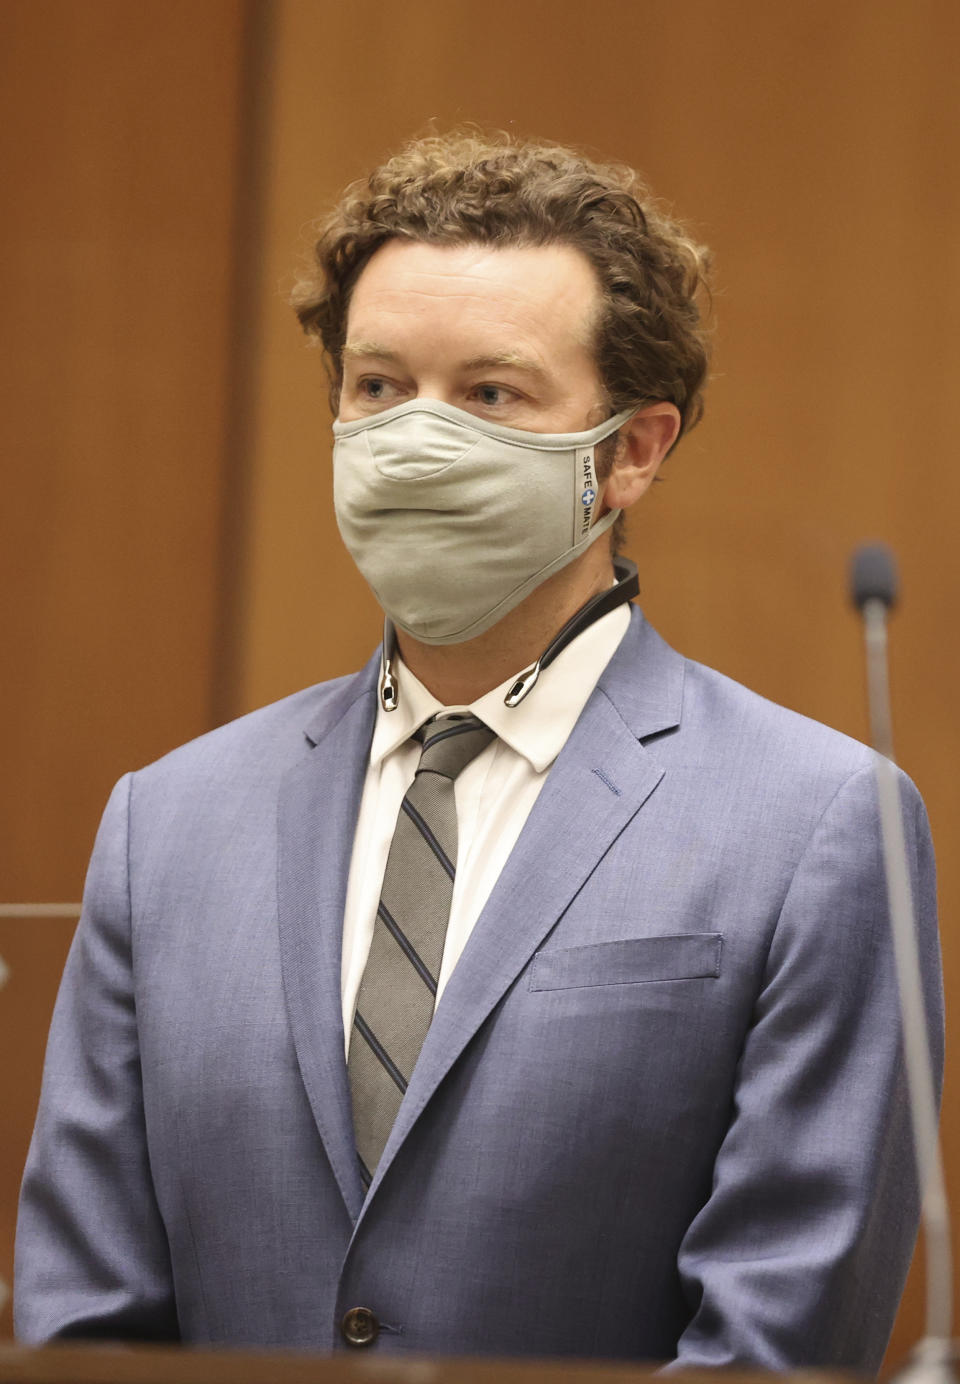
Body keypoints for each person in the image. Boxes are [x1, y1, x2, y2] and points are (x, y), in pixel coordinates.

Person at [15, 131, 943, 1371]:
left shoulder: (820, 821)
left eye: (490, 394)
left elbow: (780, 1342)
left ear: (633, 449)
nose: (413, 438)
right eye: (378, 387)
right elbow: (84, 1324)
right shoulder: (167, 821)